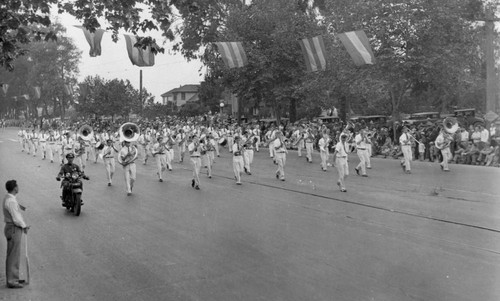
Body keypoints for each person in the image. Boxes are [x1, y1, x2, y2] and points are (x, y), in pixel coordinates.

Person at [3, 180, 29, 289]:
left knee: (13, 254)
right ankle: (12, 281)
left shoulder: (8, 197)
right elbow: (16, 218)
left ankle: (14, 277)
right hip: (14, 228)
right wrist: (24, 226)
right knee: (13, 255)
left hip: (11, 228)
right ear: (15, 188)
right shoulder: (11, 201)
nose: (18, 187)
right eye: (17, 186)